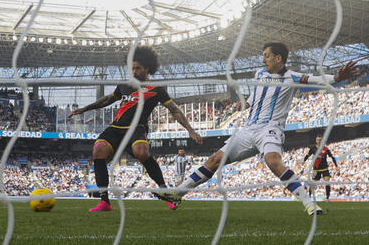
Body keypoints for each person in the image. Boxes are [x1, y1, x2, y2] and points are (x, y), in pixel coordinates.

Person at [173, 42, 357, 215]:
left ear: (278, 58)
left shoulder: (291, 77)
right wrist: (244, 105)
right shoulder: (260, 74)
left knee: (273, 161)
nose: (263, 60)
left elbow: (317, 79)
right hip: (248, 129)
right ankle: (178, 194)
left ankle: (309, 204)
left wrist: (337, 77)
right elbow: (255, 98)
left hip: (270, 128)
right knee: (214, 160)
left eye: (266, 56)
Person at [67, 46, 202, 212]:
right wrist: (85, 109)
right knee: (98, 150)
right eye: (131, 68)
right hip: (116, 127)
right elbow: (107, 100)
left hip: (136, 128)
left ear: (147, 68)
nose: (134, 71)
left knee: (142, 152)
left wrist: (190, 130)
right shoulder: (124, 86)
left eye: (137, 68)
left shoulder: (157, 90)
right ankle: (104, 202)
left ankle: (165, 192)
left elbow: (174, 110)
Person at [303, 135, 338, 202]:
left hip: (325, 168)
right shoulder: (313, 148)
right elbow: (307, 155)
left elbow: (332, 157)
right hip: (316, 169)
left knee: (327, 182)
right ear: (316, 140)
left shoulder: (326, 149)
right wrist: (303, 161)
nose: (319, 141)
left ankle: (327, 198)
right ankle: (310, 198)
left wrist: (336, 166)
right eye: (318, 139)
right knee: (313, 183)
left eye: (320, 139)